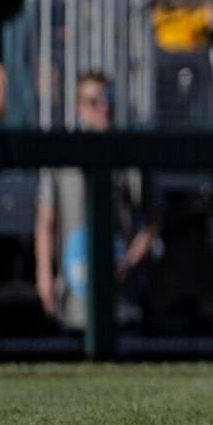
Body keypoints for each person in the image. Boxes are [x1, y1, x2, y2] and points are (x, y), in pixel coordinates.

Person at [34, 73, 157, 332]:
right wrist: (44, 274)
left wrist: (130, 260)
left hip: (122, 300)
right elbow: (45, 219)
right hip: (74, 300)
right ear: (79, 107)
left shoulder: (132, 155)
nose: (104, 106)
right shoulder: (61, 156)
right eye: (95, 101)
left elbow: (153, 218)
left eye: (109, 98)